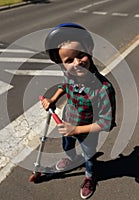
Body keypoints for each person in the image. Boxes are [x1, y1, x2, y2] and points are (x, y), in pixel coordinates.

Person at [41, 23, 116, 199]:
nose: (77, 63)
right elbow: (65, 86)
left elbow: (106, 123)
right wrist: (53, 99)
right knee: (67, 145)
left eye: (80, 55)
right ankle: (71, 158)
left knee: (88, 156)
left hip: (87, 130)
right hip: (67, 121)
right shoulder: (71, 74)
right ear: (62, 64)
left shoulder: (103, 89)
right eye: (68, 61)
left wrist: (76, 130)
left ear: (89, 49)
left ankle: (90, 177)